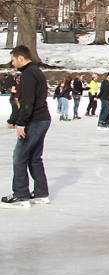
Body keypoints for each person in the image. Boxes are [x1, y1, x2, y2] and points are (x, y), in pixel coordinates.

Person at [1, 46, 52, 208]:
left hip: (35, 121)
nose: (13, 63)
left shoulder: (29, 75)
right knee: (34, 157)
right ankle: (41, 193)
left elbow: (27, 102)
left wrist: (21, 123)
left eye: (14, 60)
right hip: (42, 119)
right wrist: (15, 119)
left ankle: (21, 195)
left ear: (21, 58)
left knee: (19, 156)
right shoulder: (36, 71)